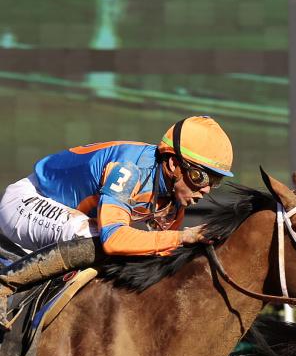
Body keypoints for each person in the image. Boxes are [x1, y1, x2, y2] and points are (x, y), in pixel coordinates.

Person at [0, 115, 232, 321]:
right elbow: (114, 240)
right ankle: (5, 285)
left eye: (215, 181)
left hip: (67, 218)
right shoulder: (130, 170)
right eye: (200, 177)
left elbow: (160, 253)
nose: (207, 190)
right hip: (26, 202)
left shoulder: (173, 200)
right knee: (92, 236)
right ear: (173, 164)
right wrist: (184, 236)